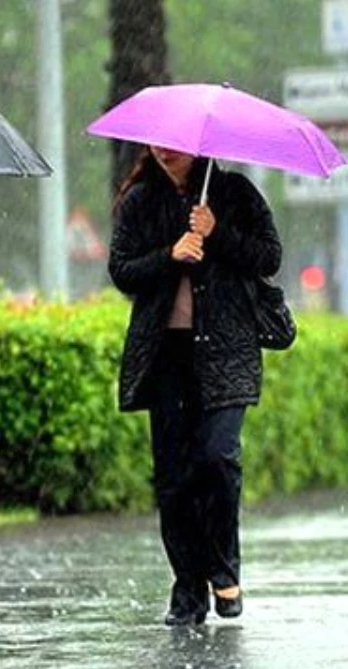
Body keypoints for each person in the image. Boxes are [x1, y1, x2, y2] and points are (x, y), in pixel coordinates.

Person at [108, 147, 281, 626]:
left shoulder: (233, 193)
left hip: (227, 350)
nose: (166, 150)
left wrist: (215, 233)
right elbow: (121, 269)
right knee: (174, 477)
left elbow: (268, 257)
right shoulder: (141, 201)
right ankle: (188, 588)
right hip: (165, 354)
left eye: (176, 142)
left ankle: (224, 570)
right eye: (157, 142)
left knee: (217, 456)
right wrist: (171, 254)